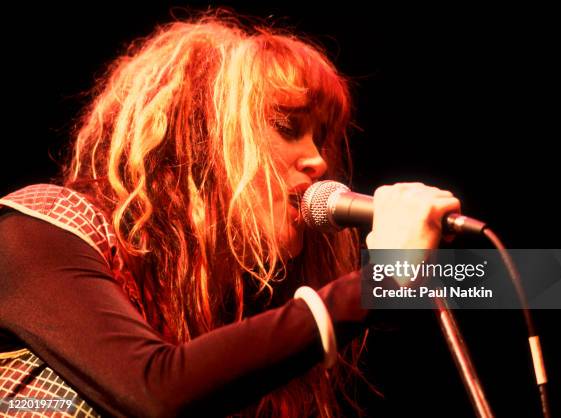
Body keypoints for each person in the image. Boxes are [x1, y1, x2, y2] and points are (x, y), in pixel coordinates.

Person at [0, 10, 460, 417]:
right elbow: (154, 391)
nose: (318, 161)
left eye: (320, 138)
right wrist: (379, 283)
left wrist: (520, 280)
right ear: (199, 139)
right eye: (287, 127)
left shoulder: (220, 316)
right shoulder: (41, 233)